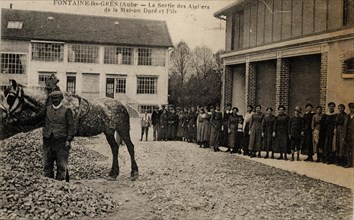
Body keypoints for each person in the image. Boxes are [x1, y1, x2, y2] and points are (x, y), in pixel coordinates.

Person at [20, 90, 75, 181]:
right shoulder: (47, 109)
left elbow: (71, 127)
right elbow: (37, 119)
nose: (55, 100)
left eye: (57, 98)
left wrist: (69, 140)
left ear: (61, 99)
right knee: (47, 163)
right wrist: (23, 121)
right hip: (48, 140)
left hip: (61, 141)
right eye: (53, 99)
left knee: (61, 164)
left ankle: (60, 184)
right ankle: (48, 183)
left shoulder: (67, 110)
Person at [345, 103, 354, 168]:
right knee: (348, 150)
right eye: (350, 108)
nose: (351, 109)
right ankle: (349, 163)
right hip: (348, 135)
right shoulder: (347, 116)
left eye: (353, 108)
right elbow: (345, 126)